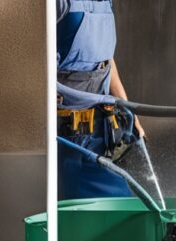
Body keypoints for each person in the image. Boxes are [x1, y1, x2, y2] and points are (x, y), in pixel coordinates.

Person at [56, 0, 145, 200]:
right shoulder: (59, 3)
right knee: (86, 207)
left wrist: (131, 111)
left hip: (103, 126)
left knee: (117, 204)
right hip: (72, 131)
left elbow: (106, 61)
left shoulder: (105, 2)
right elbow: (41, 61)